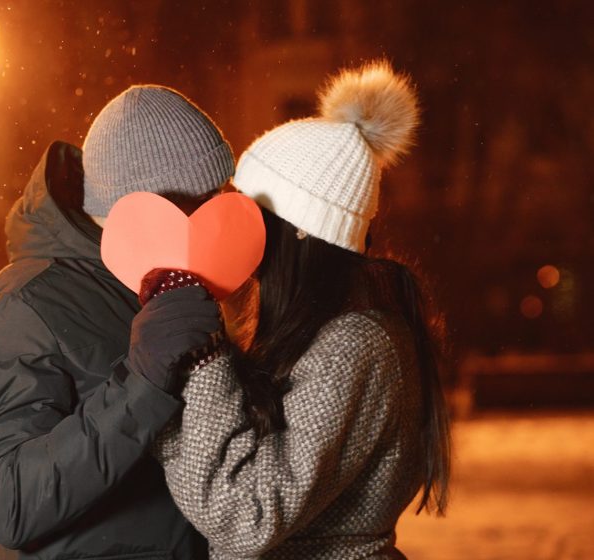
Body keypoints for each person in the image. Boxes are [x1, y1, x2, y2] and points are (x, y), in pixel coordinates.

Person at [151, 61, 452, 559]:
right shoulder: (308, 333)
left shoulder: (354, 344)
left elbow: (244, 519)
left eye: (242, 213)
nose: (224, 228)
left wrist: (197, 364)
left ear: (292, 234)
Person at [0, 85, 232, 559]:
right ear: (147, 205)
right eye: (203, 202)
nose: (216, 217)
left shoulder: (173, 281)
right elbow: (8, 503)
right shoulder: (19, 305)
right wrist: (141, 384)